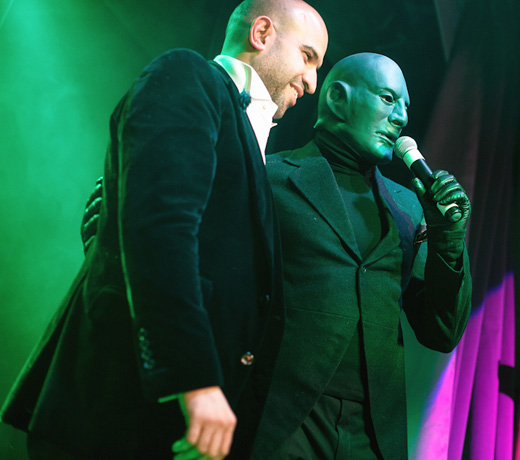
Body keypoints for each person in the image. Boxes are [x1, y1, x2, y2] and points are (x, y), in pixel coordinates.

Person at [0, 1, 328, 459]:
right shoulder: (188, 74)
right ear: (261, 33)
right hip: (113, 412)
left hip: (161, 425)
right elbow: (161, 226)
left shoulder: (246, 132)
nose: (312, 82)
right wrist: (193, 378)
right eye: (308, 57)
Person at [252, 52, 472, 459]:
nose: (401, 117)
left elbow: (441, 331)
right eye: (389, 98)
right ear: (338, 98)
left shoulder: (407, 207)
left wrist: (449, 239)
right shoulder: (270, 177)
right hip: (282, 421)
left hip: (372, 435)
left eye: (406, 106)